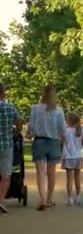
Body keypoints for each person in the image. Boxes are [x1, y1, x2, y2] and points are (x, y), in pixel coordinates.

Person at [27, 85, 66, 211]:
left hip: (40, 142)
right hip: (54, 142)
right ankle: (49, 199)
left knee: (40, 173)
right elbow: (62, 128)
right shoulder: (59, 110)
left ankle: (42, 199)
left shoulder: (35, 108)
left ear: (42, 94)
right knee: (51, 173)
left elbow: (31, 126)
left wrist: (30, 133)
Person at [0, 83, 23, 213]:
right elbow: (19, 121)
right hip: (6, 144)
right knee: (6, 175)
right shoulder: (10, 107)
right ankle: (1, 200)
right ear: (4, 93)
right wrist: (16, 132)